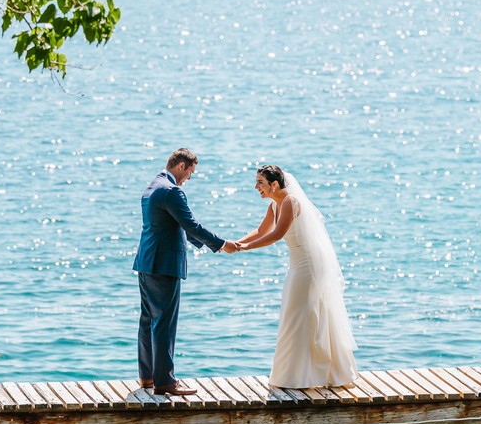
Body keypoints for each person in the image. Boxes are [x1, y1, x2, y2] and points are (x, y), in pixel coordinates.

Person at [236, 165, 359, 388]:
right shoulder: (275, 204)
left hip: (309, 264)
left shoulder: (291, 201)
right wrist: (237, 243)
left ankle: (301, 376)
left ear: (274, 184)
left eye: (260, 183)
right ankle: (303, 373)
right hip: (297, 263)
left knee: (299, 314)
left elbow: (276, 235)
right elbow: (262, 230)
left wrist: (244, 249)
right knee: (296, 313)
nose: (256, 187)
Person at [133, 148, 239, 396]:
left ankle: (147, 377)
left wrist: (213, 245)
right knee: (164, 323)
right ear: (181, 165)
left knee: (148, 320)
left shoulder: (152, 186)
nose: (188, 178)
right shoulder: (172, 191)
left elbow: (180, 226)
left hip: (147, 262)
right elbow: (191, 224)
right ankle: (165, 382)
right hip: (164, 264)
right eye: (190, 172)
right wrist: (222, 244)